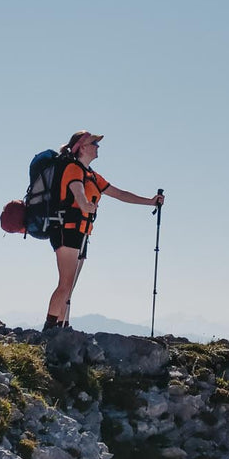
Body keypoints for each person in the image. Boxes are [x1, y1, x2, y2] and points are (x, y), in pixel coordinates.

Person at [44, 130, 163, 332]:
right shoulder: (73, 169)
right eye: (94, 143)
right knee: (65, 283)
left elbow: (119, 194)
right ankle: (49, 329)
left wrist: (149, 202)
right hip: (67, 229)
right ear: (82, 147)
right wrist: (84, 205)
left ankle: (61, 328)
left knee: (69, 286)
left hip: (81, 232)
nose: (98, 147)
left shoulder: (91, 175)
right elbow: (77, 192)